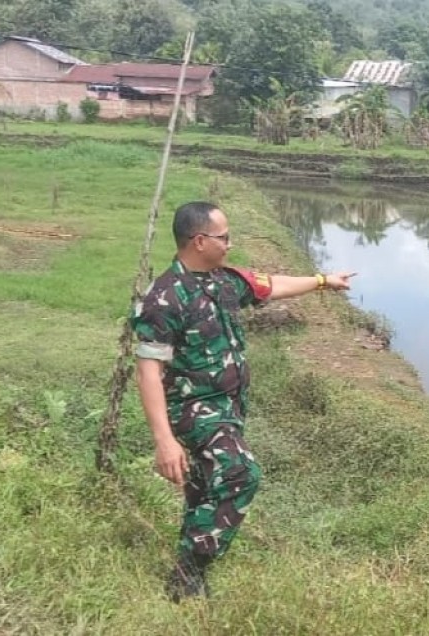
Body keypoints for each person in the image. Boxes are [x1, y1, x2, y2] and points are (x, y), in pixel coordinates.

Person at [131, 201, 354, 602]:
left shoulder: (224, 281)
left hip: (229, 408)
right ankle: (189, 570)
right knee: (239, 474)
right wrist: (164, 440)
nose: (230, 244)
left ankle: (189, 561)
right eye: (224, 237)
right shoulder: (165, 298)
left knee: (203, 488)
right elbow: (148, 371)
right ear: (199, 241)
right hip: (194, 409)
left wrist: (323, 281)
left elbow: (272, 285)